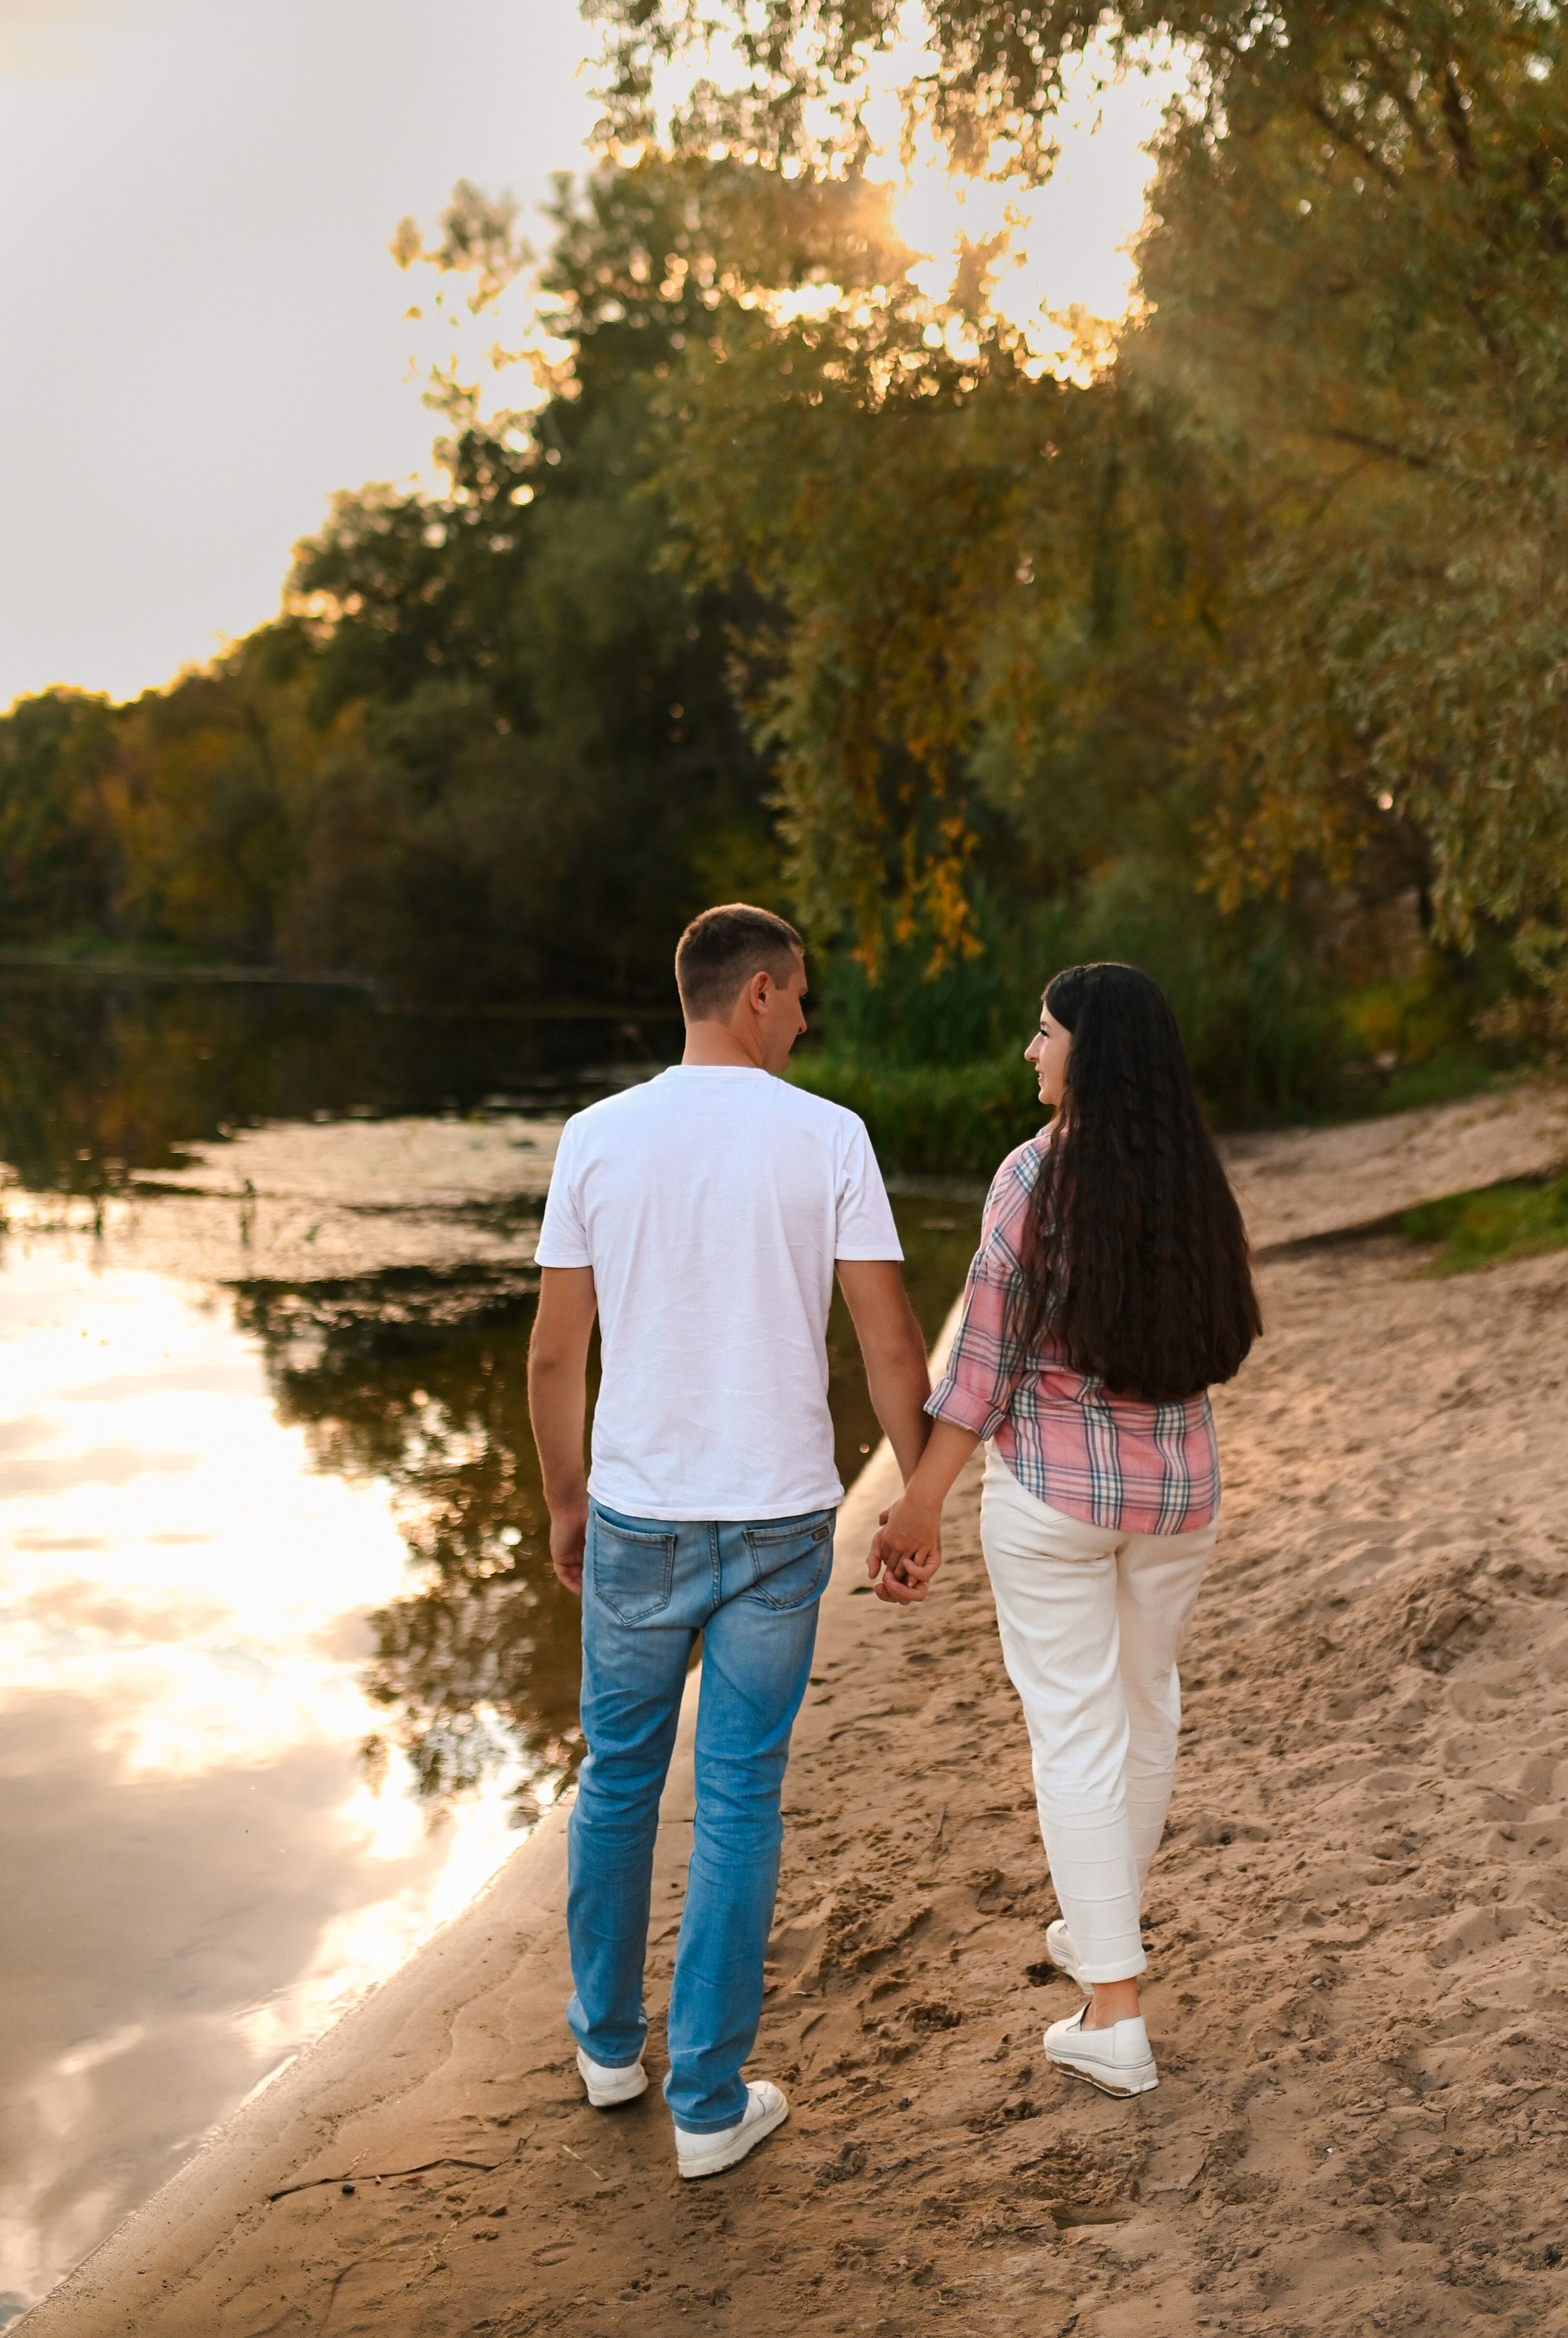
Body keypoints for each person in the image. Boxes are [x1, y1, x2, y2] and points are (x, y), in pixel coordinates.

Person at [526, 904, 933, 2177]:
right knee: (740, 1794)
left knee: (618, 1777)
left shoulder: (595, 1138)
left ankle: (605, 2050)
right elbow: (885, 1341)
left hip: (641, 1515)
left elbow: (553, 1355)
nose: (807, 1019)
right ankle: (708, 2105)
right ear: (756, 992)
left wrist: (565, 1498)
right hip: (775, 1520)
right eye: (801, 995)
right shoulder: (828, 1139)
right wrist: (917, 1494)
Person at [870, 961, 1261, 2099]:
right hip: (1180, 1498)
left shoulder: (1035, 1178)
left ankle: (1114, 2011)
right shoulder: (1192, 1176)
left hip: (1056, 1501)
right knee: (1145, 1707)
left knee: (1077, 1734)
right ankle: (1102, 1933)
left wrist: (920, 1501)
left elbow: (982, 1370)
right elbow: (1224, 1327)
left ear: (1089, 1052)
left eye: (1044, 1034)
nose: (1030, 1053)